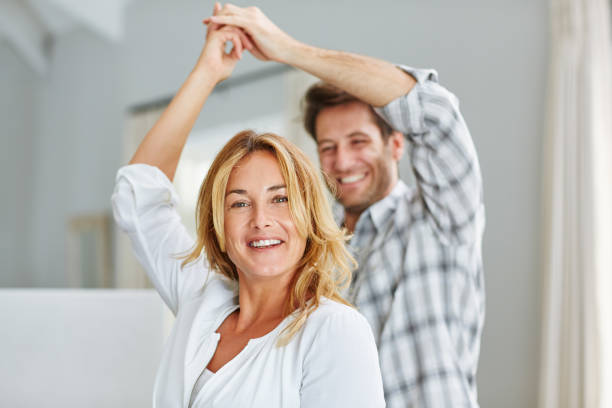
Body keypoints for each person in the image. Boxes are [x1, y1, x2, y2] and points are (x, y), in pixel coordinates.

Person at [204, 4, 486, 407]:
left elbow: (436, 113)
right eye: (328, 147)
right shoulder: (303, 245)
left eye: (358, 142)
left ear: (396, 143)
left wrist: (286, 49)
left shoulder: (441, 219)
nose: (343, 161)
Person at [111, 9, 385, 408]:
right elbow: (139, 196)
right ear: (218, 224)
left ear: (309, 215)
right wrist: (207, 73)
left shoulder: (333, 330)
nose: (260, 221)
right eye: (239, 203)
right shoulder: (200, 299)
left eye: (280, 198)